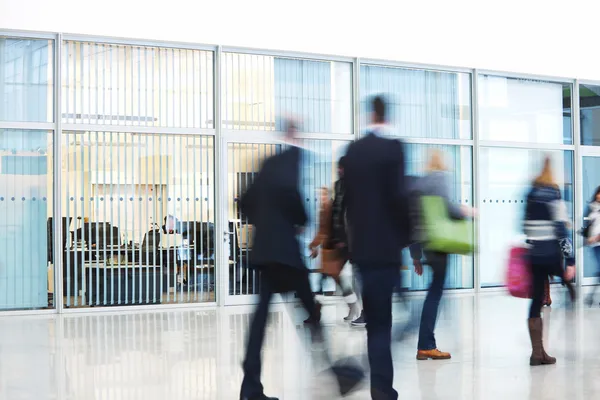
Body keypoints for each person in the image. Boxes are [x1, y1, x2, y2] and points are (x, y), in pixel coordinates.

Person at [238, 120, 362, 400]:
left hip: (266, 252)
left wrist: (265, 225)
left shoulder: (267, 163)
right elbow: (291, 197)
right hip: (285, 254)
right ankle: (337, 376)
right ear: (295, 134)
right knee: (311, 312)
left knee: (260, 321)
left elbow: (244, 202)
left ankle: (250, 388)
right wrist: (298, 221)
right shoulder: (290, 159)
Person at [344, 95, 411, 400]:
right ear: (387, 115)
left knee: (374, 323)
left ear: (370, 115)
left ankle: (378, 387)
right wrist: (406, 242)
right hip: (385, 250)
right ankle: (383, 389)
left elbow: (349, 203)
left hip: (363, 251)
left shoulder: (354, 151)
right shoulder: (394, 149)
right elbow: (398, 199)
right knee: (384, 321)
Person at [409, 150, 475, 361]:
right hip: (439, 244)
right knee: (435, 294)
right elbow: (448, 210)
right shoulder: (440, 179)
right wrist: (466, 211)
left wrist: (416, 256)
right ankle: (426, 344)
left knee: (435, 292)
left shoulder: (420, 183)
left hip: (427, 245)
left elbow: (416, 221)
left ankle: (425, 343)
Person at [523, 156, 575, 366]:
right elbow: (561, 229)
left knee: (536, 301)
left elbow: (524, 227)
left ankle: (538, 353)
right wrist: (570, 260)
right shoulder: (553, 194)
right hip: (550, 252)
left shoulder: (530, 195)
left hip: (534, 254)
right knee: (563, 278)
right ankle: (568, 284)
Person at [307, 186, 360, 323]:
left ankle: (317, 313)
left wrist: (313, 244)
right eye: (320, 195)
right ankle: (317, 313)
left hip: (331, 253)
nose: (321, 197)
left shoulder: (330, 208)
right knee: (333, 282)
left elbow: (325, 231)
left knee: (328, 282)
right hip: (328, 253)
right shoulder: (325, 208)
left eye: (323, 195)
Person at [584, 186, 600, 306]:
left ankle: (591, 296)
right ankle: (591, 296)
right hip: (595, 244)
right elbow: (587, 225)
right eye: (598, 194)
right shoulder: (591, 207)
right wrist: (588, 238)